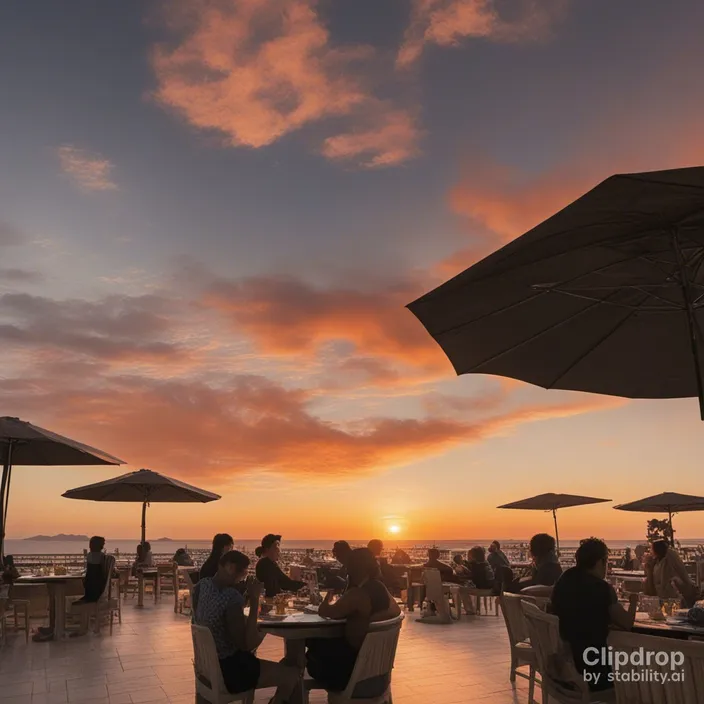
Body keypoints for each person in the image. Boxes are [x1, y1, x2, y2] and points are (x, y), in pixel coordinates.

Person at [192, 550, 299, 703]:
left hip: (206, 667)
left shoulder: (201, 587)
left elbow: (214, 617)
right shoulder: (231, 597)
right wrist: (255, 601)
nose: (242, 580)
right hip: (230, 671)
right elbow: (246, 645)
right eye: (243, 574)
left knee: (283, 665)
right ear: (230, 567)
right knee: (292, 674)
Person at [306, 548, 401, 697]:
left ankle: (290, 686)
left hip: (349, 671)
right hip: (377, 673)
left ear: (353, 568)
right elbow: (395, 611)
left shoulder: (358, 594)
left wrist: (325, 602)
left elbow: (326, 612)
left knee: (309, 642)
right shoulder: (380, 588)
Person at [551, 538, 638, 691]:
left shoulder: (565, 579)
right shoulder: (602, 588)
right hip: (594, 672)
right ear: (600, 562)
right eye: (607, 562)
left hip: (565, 669)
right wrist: (634, 601)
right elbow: (627, 623)